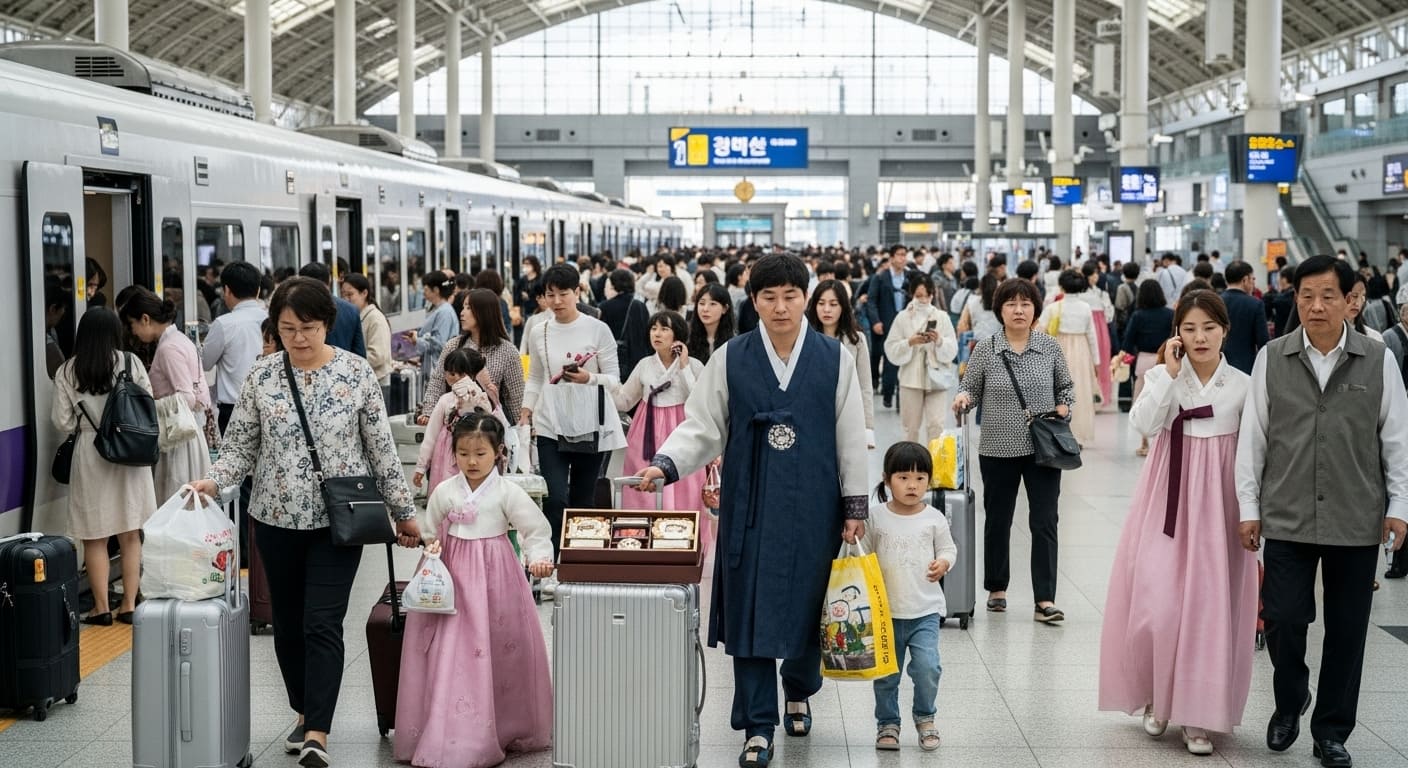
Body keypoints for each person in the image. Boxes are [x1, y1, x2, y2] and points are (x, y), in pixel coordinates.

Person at [635, 254, 869, 768]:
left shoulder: (834, 358)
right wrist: (667, 463)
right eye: (769, 297)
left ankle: (800, 688)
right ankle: (757, 726)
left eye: (790, 295)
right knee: (751, 609)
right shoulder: (732, 357)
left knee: (813, 605)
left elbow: (851, 435)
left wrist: (855, 503)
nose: (780, 307)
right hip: (751, 504)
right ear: (754, 300)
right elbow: (703, 424)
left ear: (805, 297)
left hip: (814, 503)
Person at [192, 277, 419, 768]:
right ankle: (302, 709)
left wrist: (404, 512)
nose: (298, 338)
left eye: (308, 328)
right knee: (288, 625)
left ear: (328, 326)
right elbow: (240, 445)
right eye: (287, 328)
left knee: (322, 623)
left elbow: (381, 452)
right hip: (273, 520)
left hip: (340, 522)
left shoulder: (356, 375)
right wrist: (213, 481)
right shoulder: (263, 376)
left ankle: (318, 729)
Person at [1236, 256, 1408, 768]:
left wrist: (1399, 507)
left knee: (1348, 629)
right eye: (1306, 295)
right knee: (1285, 619)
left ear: (1350, 299)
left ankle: (1331, 730)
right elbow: (1254, 440)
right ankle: (1291, 701)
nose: (1315, 306)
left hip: (1357, 516)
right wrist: (1249, 507)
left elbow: (1396, 440)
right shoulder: (1273, 356)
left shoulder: (1378, 360)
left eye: (1328, 295)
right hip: (1287, 512)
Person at [1098, 290, 1256, 755]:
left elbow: (1252, 454)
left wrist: (1251, 511)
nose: (1200, 336)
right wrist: (1166, 375)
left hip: (1219, 504)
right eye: (1189, 328)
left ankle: (1198, 714)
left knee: (1208, 608)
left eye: (1209, 327)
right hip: (1166, 496)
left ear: (1225, 330)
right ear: (1177, 335)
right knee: (1158, 600)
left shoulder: (1244, 385)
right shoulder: (1164, 377)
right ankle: (1157, 696)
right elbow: (1141, 425)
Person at [393, 414, 554, 768]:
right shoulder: (445, 490)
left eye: (481, 453)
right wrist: (429, 546)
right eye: (464, 453)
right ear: (453, 453)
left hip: (496, 577)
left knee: (497, 646)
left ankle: (504, 724)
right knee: (449, 651)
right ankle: (447, 726)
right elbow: (431, 530)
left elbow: (535, 529)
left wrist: (540, 558)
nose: (472, 461)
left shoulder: (507, 491)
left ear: (498, 453)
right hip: (450, 578)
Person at [952, 278, 1074, 622]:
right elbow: (970, 387)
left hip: (1044, 448)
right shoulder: (987, 348)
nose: (1018, 310)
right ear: (999, 309)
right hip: (997, 446)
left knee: (1045, 521)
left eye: (1025, 304)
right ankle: (997, 589)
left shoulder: (1049, 347)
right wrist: (963, 398)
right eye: (1010, 304)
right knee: (998, 520)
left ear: (1035, 308)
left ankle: (1045, 599)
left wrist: (1065, 407)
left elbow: (1066, 388)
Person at [51, 308, 158, 626]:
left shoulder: (68, 370)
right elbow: (147, 401)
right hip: (129, 454)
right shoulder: (130, 362)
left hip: (91, 454)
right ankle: (128, 604)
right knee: (130, 534)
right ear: (115, 333)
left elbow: (62, 421)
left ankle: (100, 608)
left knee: (95, 537)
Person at [520, 264, 626, 567]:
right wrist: (527, 409)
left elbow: (615, 379)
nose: (556, 301)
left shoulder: (597, 328)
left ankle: (579, 561)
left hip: (589, 422)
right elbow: (536, 377)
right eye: (550, 295)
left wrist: (588, 379)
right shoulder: (539, 329)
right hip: (550, 421)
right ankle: (550, 562)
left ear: (577, 292)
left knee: (582, 498)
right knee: (555, 497)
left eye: (563, 294)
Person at [866, 442, 957, 753]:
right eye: (903, 477)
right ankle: (887, 723)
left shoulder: (934, 518)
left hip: (925, 610)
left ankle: (925, 717)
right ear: (887, 478)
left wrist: (943, 562)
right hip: (885, 612)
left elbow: (948, 548)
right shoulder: (875, 517)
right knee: (887, 675)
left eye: (920, 478)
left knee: (927, 667)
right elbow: (862, 553)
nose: (912, 485)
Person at [610, 311, 710, 554]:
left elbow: (699, 399)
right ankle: (640, 541)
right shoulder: (645, 364)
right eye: (654, 328)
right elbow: (624, 400)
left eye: (664, 328)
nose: (657, 333)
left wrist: (684, 365)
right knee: (643, 483)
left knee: (684, 483)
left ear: (677, 333)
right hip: (646, 431)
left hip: (681, 430)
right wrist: (598, 381)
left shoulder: (694, 364)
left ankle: (682, 541)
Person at [118, 288, 212, 501]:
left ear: (145, 319)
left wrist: (150, 405)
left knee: (175, 502)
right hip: (185, 434)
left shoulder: (169, 348)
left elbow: (186, 396)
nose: (133, 332)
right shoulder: (179, 340)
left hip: (178, 440)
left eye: (132, 325)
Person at [418, 288, 525, 428]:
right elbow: (437, 381)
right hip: (454, 428)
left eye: (468, 308)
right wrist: (428, 413)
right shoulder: (453, 345)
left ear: (485, 313)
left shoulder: (508, 351)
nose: (462, 313)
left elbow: (516, 397)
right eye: (463, 307)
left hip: (491, 431)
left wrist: (523, 430)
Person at [883, 273, 959, 446]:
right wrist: (909, 342)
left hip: (937, 378)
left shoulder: (942, 317)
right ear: (912, 295)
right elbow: (890, 347)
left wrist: (938, 341)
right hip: (910, 379)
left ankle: (934, 467)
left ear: (932, 295)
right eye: (918, 296)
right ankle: (911, 466)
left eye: (927, 295)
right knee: (910, 427)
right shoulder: (902, 317)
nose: (923, 300)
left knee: (936, 425)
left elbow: (952, 348)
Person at [413, 347, 496, 495]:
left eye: (462, 374)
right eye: (451, 373)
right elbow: (431, 436)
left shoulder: (479, 397)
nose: (456, 377)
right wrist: (421, 466)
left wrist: (477, 396)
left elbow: (491, 422)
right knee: (447, 494)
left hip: (474, 450)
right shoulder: (445, 400)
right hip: (446, 453)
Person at [806, 279, 875, 448]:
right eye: (821, 303)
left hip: (848, 413)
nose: (826, 309)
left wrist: (868, 427)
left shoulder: (857, 340)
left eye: (833, 304)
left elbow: (865, 386)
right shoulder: (805, 339)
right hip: (812, 413)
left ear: (843, 306)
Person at [1038, 270, 1101, 448]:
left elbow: (1039, 331)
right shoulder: (1086, 308)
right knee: (1079, 393)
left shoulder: (1053, 307)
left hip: (1058, 348)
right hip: (1081, 351)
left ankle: (1057, 432)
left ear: (1062, 286)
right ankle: (1076, 436)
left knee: (1055, 392)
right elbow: (1092, 336)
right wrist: (1096, 362)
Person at [202, 261, 267, 433]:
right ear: (258, 290)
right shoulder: (271, 319)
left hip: (234, 411)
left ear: (227, 290)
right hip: (269, 407)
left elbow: (204, 363)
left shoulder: (224, 324)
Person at [1122, 281, 1175, 456]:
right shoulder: (1170, 314)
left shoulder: (1138, 315)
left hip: (1144, 360)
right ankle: (1162, 441)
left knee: (1142, 401)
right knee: (1166, 398)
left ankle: (1144, 442)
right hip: (1166, 359)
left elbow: (1128, 341)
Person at [864, 246, 913, 408]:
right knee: (889, 359)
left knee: (905, 358)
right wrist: (875, 321)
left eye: (904, 255)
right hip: (886, 323)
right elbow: (871, 301)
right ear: (891, 258)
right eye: (899, 255)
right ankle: (887, 393)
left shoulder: (909, 276)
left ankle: (901, 395)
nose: (903, 258)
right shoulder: (880, 278)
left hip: (906, 324)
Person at [298, 263, 366, 358]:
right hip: (344, 369)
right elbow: (360, 353)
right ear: (329, 280)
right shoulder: (351, 310)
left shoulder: (297, 310)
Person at [339, 274, 392, 386]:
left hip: (377, 382)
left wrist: (349, 363)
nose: (345, 299)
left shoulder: (375, 318)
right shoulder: (356, 316)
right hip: (363, 380)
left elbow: (378, 356)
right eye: (342, 295)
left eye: (350, 294)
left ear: (364, 293)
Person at [1220, 261, 1269, 374]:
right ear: (1245, 280)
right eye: (1253, 279)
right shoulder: (1255, 304)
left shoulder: (1215, 301)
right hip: (1245, 367)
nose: (1253, 283)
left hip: (1218, 366)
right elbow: (1263, 341)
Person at [410, 271, 459, 384]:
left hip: (438, 371)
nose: (424, 293)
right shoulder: (438, 310)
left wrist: (417, 340)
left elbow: (439, 344)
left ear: (436, 290)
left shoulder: (444, 313)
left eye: (426, 289)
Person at [688, 282, 735, 366]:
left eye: (713, 304)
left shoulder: (734, 343)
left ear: (725, 308)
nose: (705, 309)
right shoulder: (688, 340)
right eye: (702, 303)